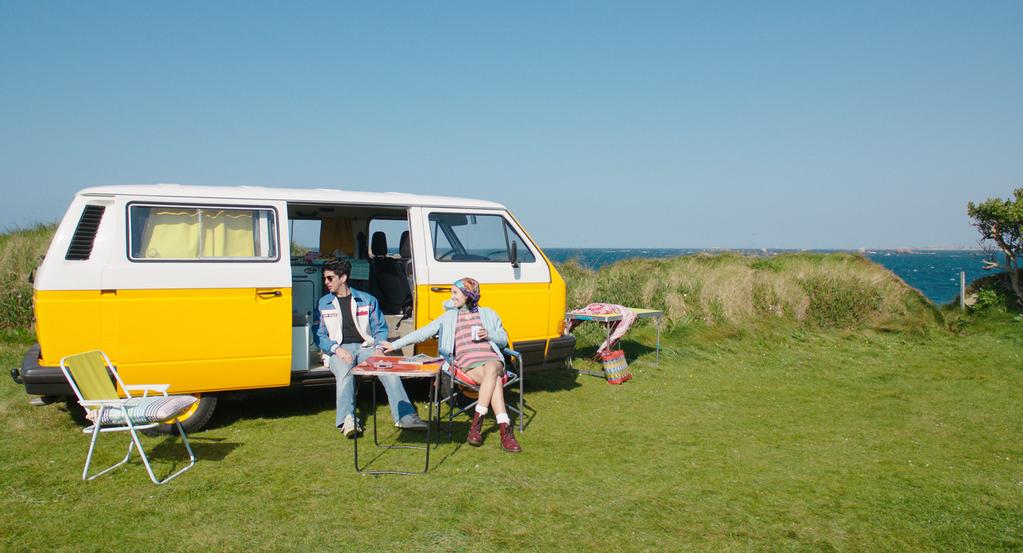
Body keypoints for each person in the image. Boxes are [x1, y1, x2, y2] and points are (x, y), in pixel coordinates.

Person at [381, 277, 522, 453]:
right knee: (494, 380)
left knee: (492, 368)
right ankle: (505, 432)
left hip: (492, 358)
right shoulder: (449, 317)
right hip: (469, 364)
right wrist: (394, 345)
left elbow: (502, 340)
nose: (451, 296)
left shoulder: (489, 314)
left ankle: (477, 424)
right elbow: (423, 333)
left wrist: (489, 334)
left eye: (455, 293)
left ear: (467, 295)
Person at [316, 259, 428, 437]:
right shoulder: (324, 303)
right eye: (325, 278)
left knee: (388, 369)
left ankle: (405, 417)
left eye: (330, 278)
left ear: (343, 278)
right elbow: (320, 335)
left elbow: (380, 329)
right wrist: (337, 350)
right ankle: (348, 420)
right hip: (338, 349)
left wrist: (378, 349)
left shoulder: (367, 300)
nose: (326, 282)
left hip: (365, 347)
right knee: (345, 372)